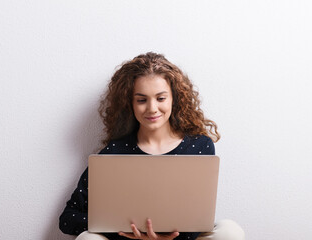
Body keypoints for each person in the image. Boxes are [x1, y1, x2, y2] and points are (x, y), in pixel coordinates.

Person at [59, 52, 245, 240]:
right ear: (129, 103)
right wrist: (125, 231)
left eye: (161, 98)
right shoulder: (114, 152)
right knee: (88, 238)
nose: (152, 108)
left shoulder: (199, 146)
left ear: (175, 99)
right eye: (141, 100)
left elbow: (199, 218)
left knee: (230, 231)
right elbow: (68, 219)